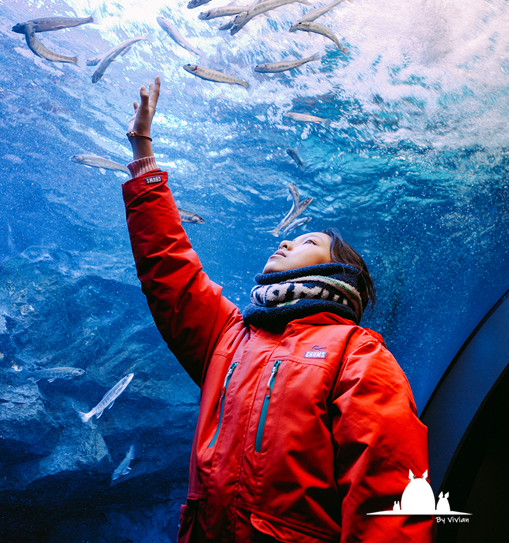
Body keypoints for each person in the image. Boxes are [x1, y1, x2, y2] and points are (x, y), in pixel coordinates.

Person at [123, 79, 435, 543]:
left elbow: (389, 496)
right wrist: (143, 153)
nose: (286, 240)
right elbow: (169, 272)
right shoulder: (231, 337)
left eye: (307, 241)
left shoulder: (357, 353)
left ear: (336, 271)